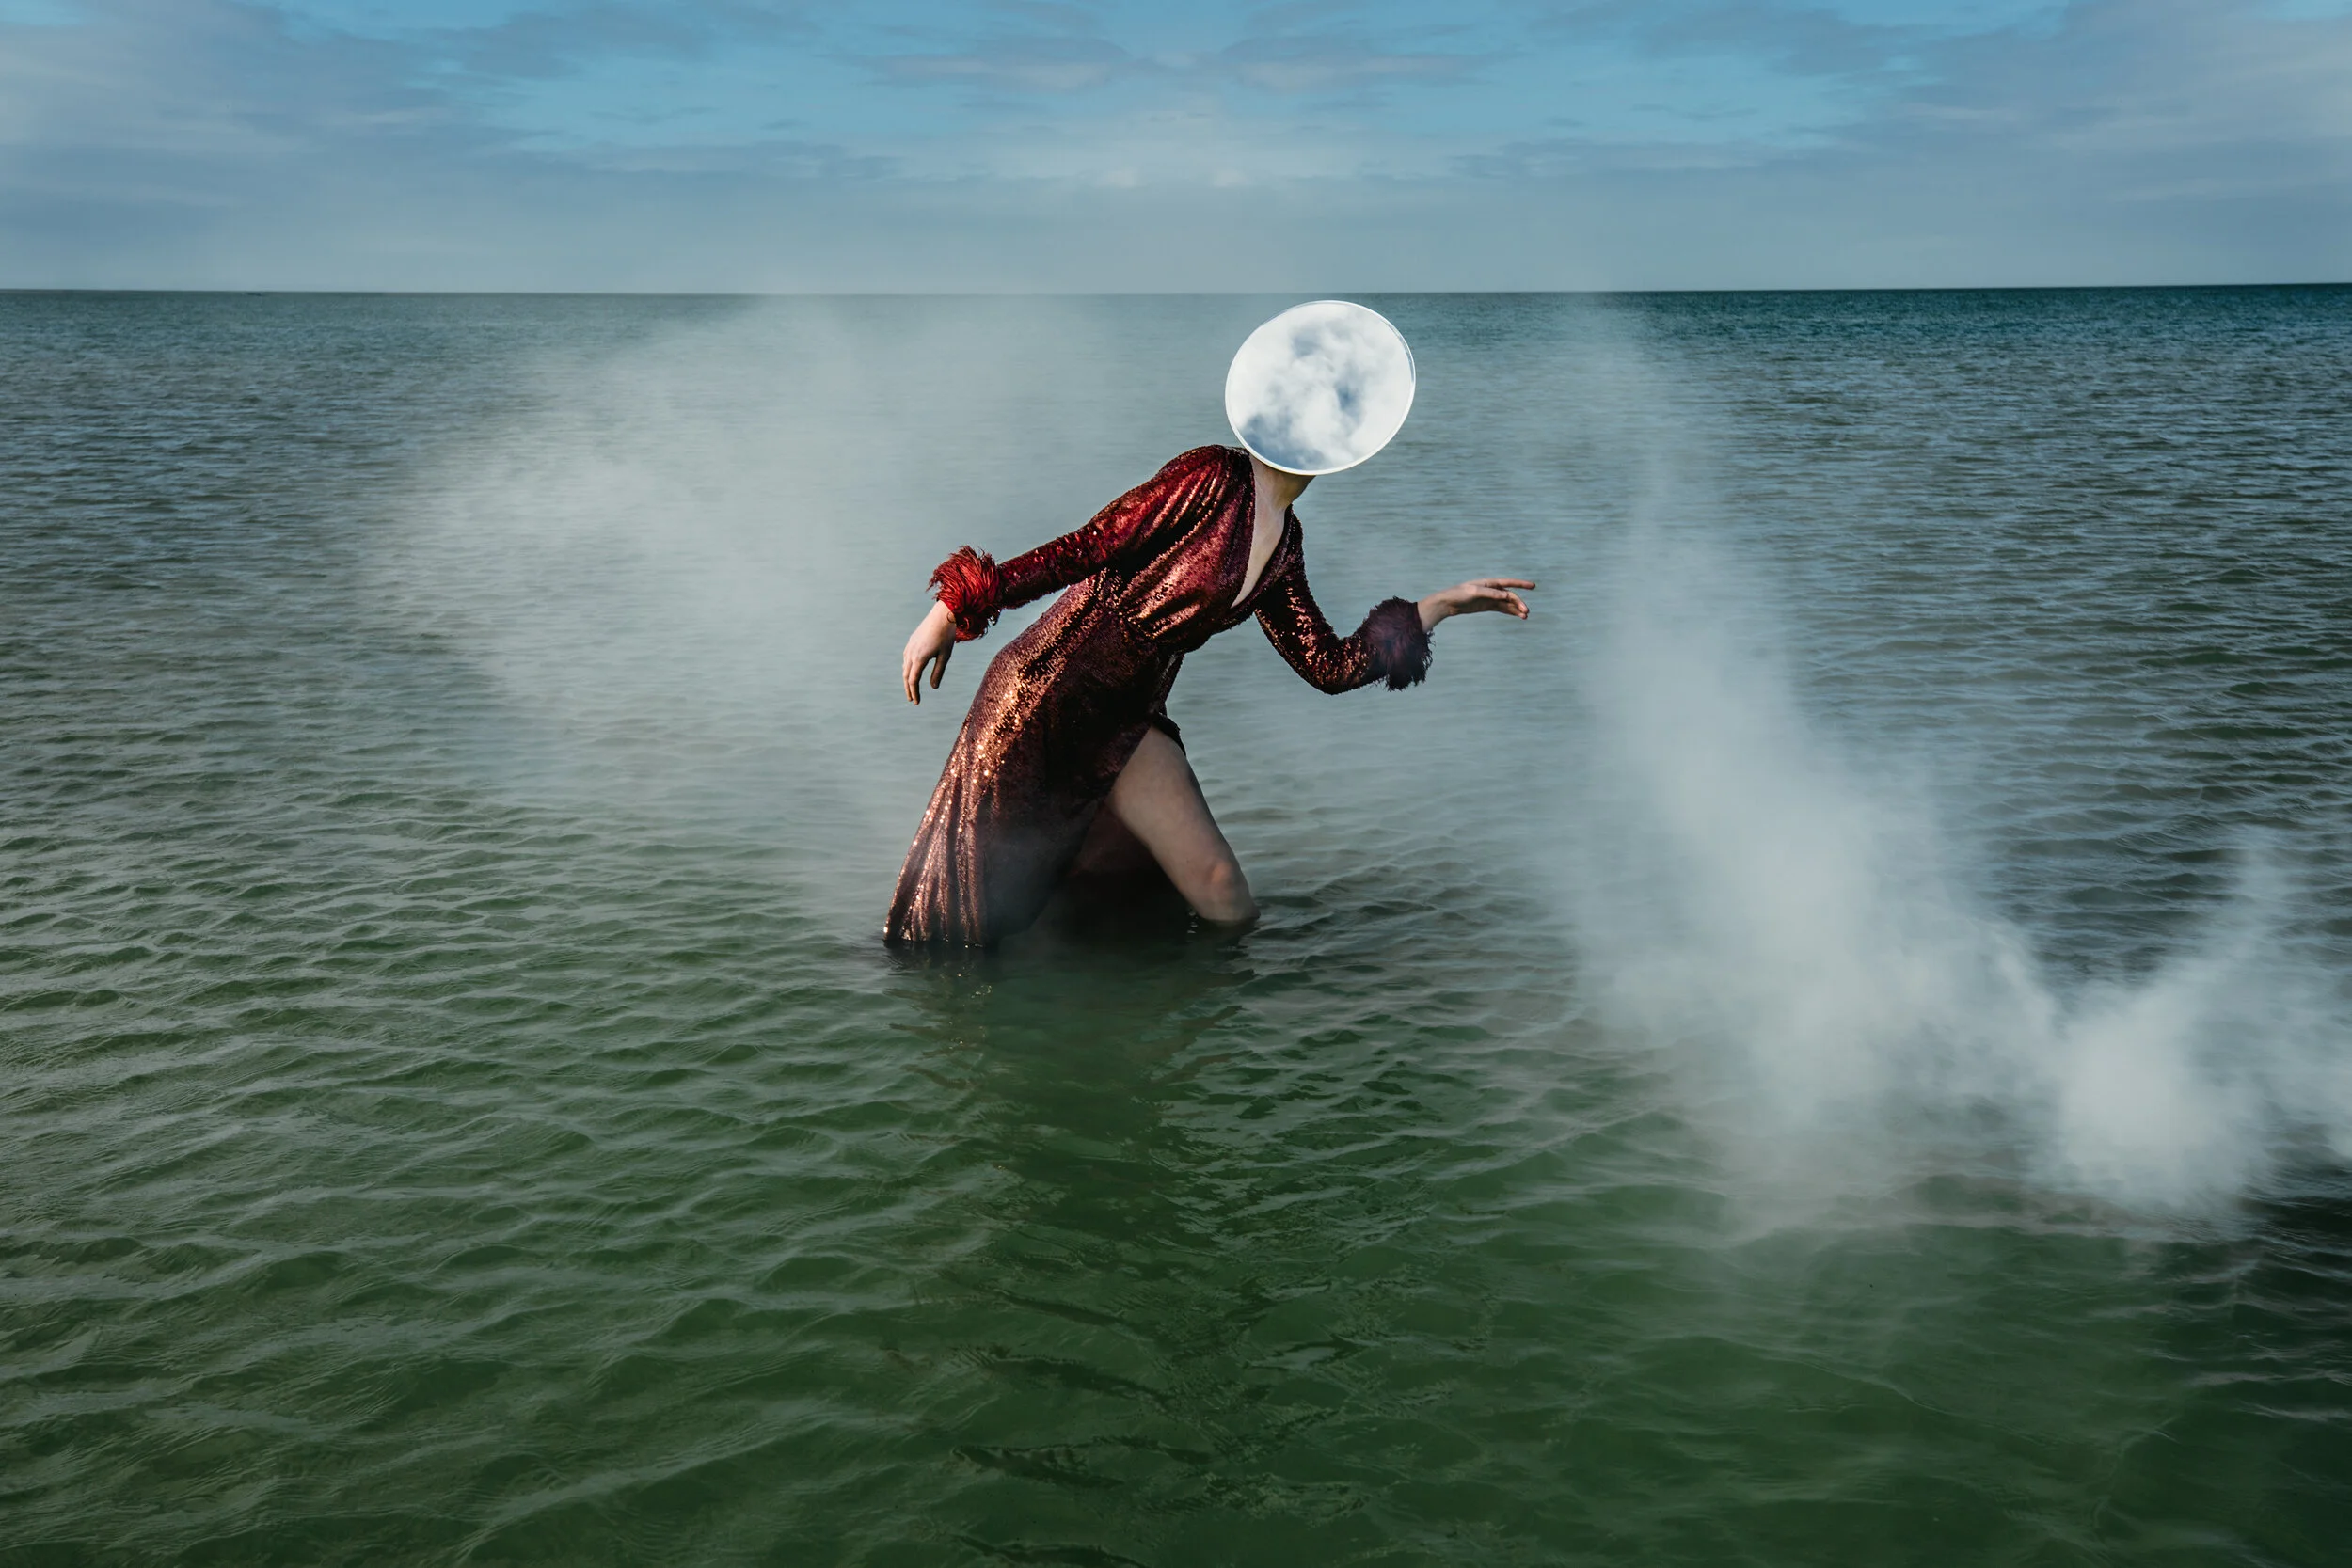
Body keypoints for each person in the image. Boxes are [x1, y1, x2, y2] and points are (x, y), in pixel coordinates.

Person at [885, 443, 1534, 946]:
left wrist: (1437, 608)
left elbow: (1328, 664)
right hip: (1045, 697)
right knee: (968, 914)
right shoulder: (1213, 476)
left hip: (1127, 716)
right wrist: (957, 606)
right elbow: (1086, 547)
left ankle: (1211, 1044)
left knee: (1221, 887)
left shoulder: (1286, 545)